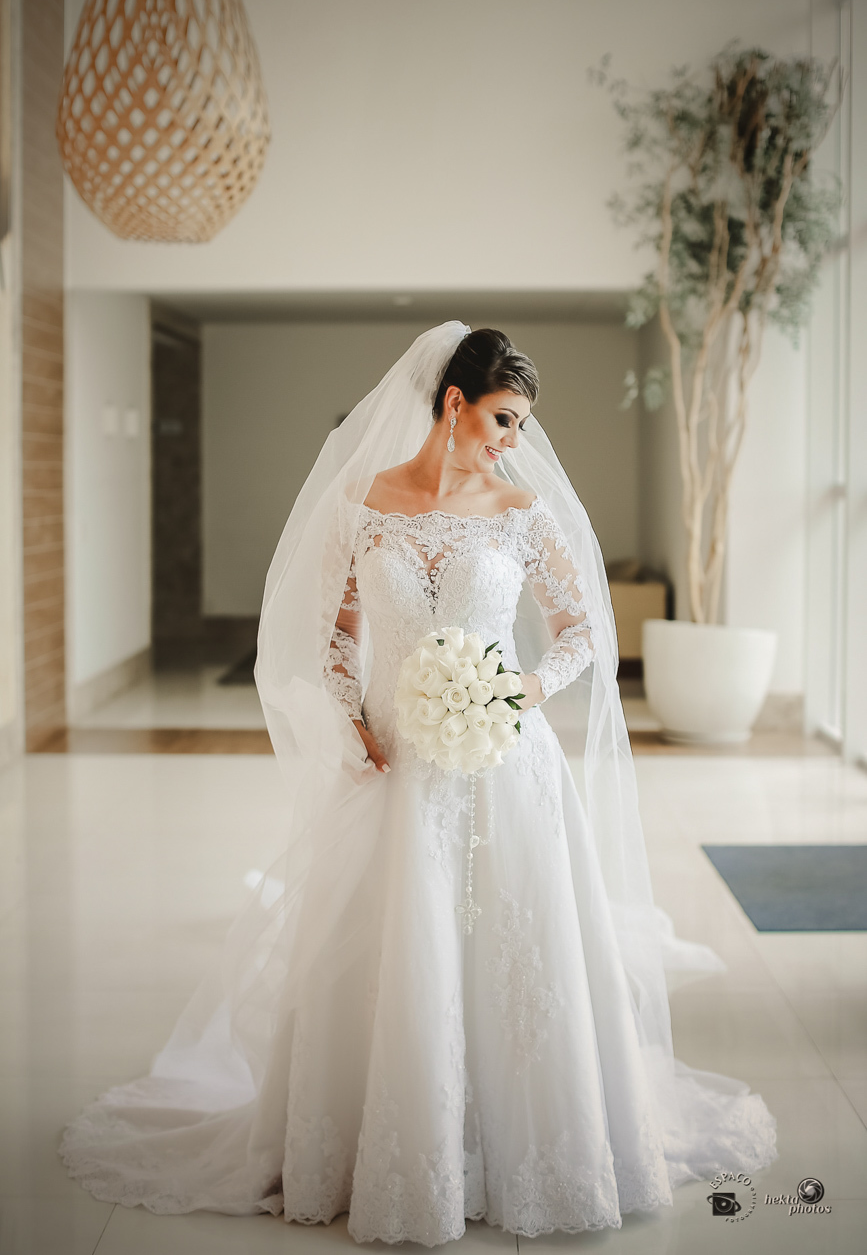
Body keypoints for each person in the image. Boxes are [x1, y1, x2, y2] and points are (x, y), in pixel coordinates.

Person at [60, 322, 777, 1244]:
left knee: (513, 948)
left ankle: (530, 1144)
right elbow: (331, 631)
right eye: (502, 418)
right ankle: (393, 1149)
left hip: (505, 763)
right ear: (454, 402)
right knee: (399, 949)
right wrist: (353, 717)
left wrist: (524, 688)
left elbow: (581, 630)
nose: (512, 439)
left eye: (520, 424)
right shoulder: (363, 503)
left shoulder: (520, 510)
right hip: (396, 769)